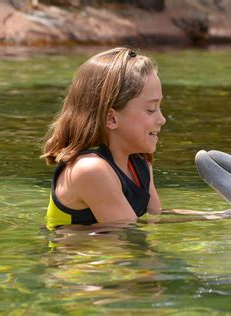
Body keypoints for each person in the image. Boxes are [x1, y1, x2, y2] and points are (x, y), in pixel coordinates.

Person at [42, 47, 166, 229]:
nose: (162, 119)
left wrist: (217, 215)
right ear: (111, 118)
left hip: (117, 255)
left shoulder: (138, 160)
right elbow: (130, 233)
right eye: (151, 110)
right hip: (81, 257)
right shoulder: (90, 170)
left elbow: (156, 219)